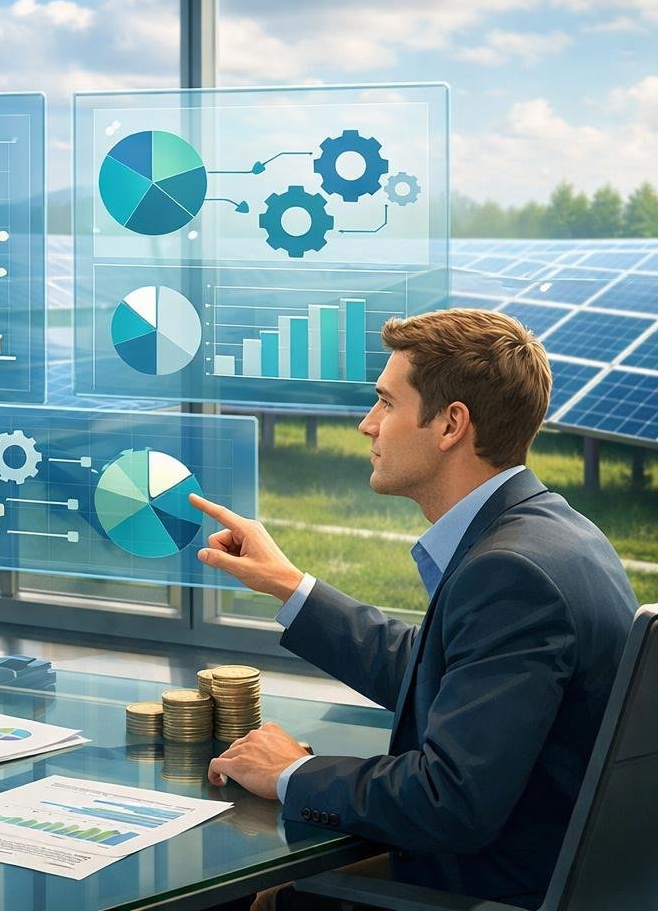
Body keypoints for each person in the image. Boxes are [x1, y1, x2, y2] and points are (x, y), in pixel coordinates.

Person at [190, 308, 636, 911]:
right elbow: (451, 673)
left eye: (386, 403)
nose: (367, 425)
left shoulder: (510, 573)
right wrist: (288, 584)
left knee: (241, 895)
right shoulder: (554, 532)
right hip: (523, 871)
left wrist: (294, 773)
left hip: (486, 889)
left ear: (451, 424)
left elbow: (448, 802)